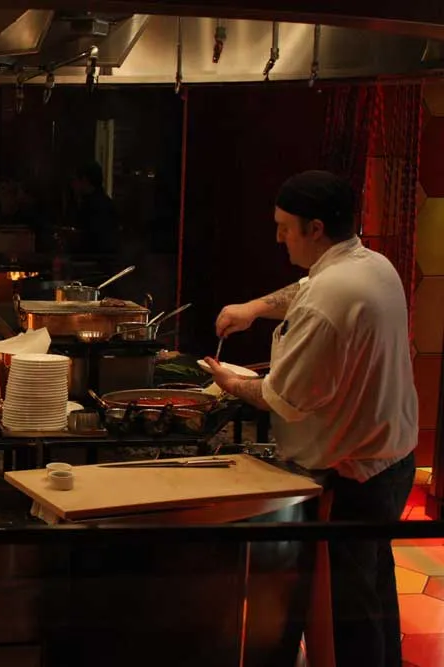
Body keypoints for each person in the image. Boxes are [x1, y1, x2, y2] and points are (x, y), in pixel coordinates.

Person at [203, 170, 417, 667]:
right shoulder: (372, 264)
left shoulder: (328, 300)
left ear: (315, 228)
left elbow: (284, 398)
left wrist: (228, 382)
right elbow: (306, 288)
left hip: (353, 475)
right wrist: (255, 307)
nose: (279, 237)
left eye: (285, 227)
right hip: (392, 459)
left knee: (346, 615)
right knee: (374, 591)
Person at [70, 161, 120, 257]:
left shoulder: (94, 206)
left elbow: (93, 242)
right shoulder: (104, 203)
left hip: (94, 262)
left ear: (84, 180)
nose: (72, 184)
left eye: (75, 179)